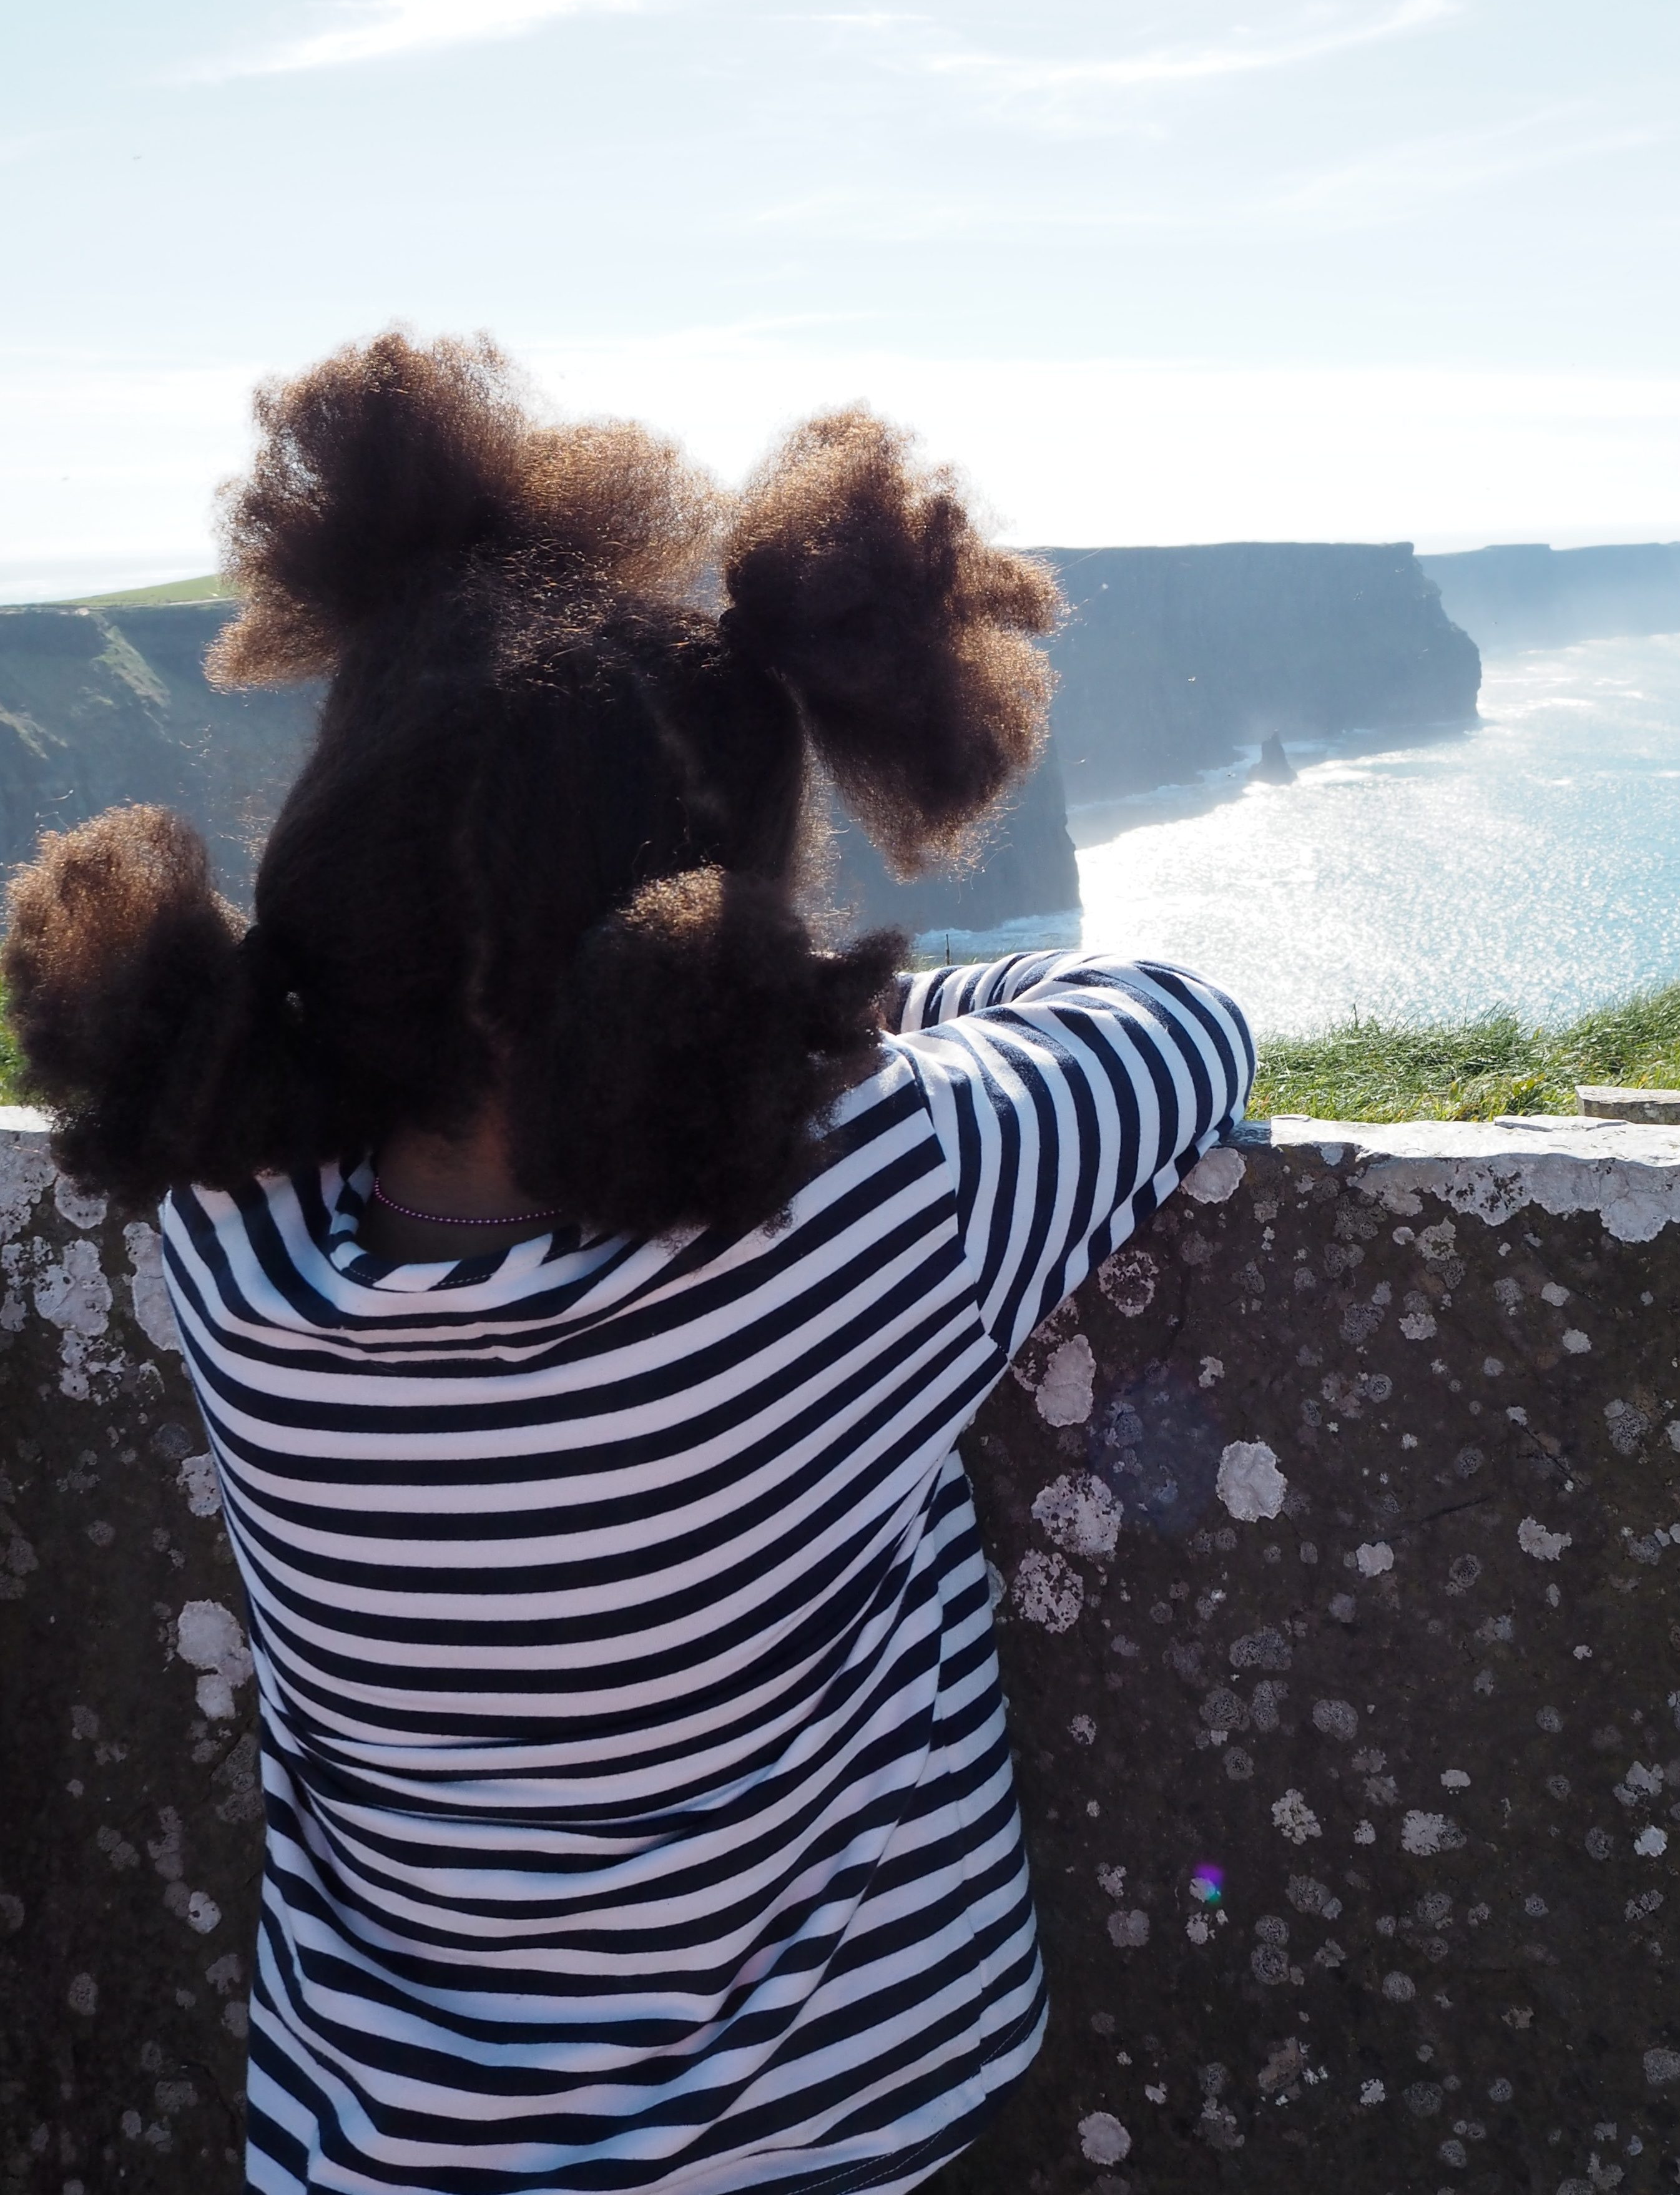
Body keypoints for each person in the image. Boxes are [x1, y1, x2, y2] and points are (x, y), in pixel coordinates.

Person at [3, 333, 1252, 2195]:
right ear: (720, 928)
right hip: (824, 2149)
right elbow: (1171, 1020)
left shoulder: (239, 1248)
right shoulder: (875, 1205)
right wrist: (848, 1045)